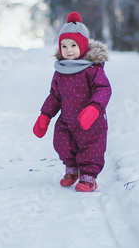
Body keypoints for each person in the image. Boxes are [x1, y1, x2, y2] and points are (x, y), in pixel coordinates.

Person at [33, 12, 112, 192]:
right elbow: (54, 95)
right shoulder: (60, 70)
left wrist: (94, 108)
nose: (69, 50)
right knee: (62, 143)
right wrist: (45, 115)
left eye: (73, 45)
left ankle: (88, 177)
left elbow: (103, 89)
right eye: (64, 45)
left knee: (91, 148)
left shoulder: (92, 68)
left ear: (83, 46)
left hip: (90, 121)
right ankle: (71, 169)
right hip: (67, 119)